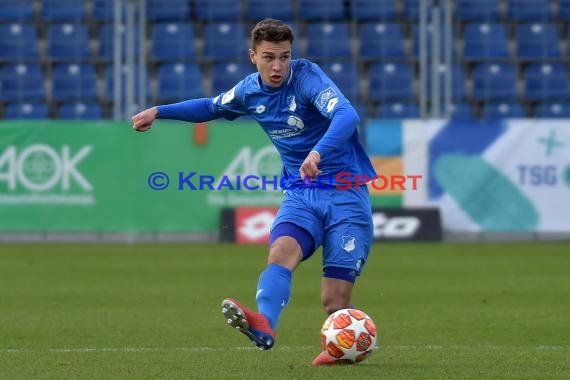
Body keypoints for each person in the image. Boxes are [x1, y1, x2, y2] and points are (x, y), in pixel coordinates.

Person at [131, 18, 375, 366]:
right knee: (280, 253)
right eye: (269, 57)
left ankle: (346, 350)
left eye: (285, 57)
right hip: (302, 193)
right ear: (253, 56)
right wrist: (159, 111)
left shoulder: (307, 78)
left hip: (346, 195)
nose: (277, 66)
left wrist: (317, 152)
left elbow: (347, 115)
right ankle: (265, 325)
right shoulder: (249, 91)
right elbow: (211, 107)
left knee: (334, 303)